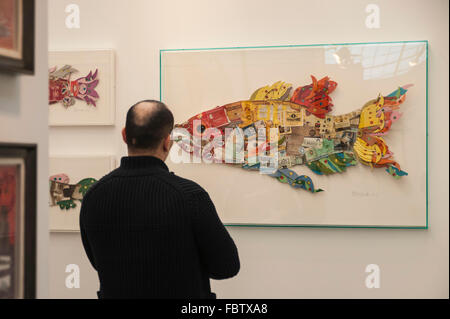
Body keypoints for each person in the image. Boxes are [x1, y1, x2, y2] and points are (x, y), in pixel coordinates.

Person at [80, 100, 240, 299]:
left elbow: (98, 262)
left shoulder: (94, 196)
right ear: (167, 141)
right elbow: (226, 267)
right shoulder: (189, 195)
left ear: (124, 135)